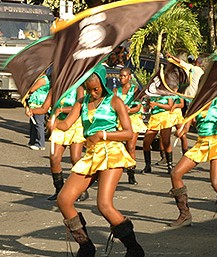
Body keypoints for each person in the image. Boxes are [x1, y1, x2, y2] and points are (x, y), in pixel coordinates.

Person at [54, 64, 144, 257]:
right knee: (64, 200)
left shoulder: (115, 102)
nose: (92, 93)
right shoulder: (81, 101)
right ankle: (86, 247)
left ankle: (134, 249)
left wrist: (103, 134)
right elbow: (67, 123)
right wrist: (53, 122)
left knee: (104, 204)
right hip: (91, 155)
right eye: (89, 89)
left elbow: (128, 133)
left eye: (96, 89)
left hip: (111, 152)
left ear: (103, 84)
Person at [169, 96, 217, 230]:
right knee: (176, 173)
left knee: (216, 183)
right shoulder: (196, 105)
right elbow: (187, 126)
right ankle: (185, 215)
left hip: (215, 142)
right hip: (200, 143)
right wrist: (181, 131)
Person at [28, 87, 89, 201]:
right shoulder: (54, 89)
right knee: (54, 158)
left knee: (75, 158)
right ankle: (59, 189)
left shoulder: (78, 87)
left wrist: (61, 110)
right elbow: (44, 108)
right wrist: (32, 111)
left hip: (75, 125)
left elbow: (80, 107)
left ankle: (82, 189)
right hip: (58, 125)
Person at [114, 67, 147, 185]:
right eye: (120, 76)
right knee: (117, 147)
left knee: (131, 147)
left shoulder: (136, 90)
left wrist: (129, 110)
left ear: (129, 77)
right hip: (119, 121)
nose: (121, 78)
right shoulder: (115, 91)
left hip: (133, 120)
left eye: (124, 76)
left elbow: (138, 107)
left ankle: (131, 174)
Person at [141, 94, 177, 175]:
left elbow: (170, 106)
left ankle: (170, 166)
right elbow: (147, 108)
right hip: (154, 118)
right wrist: (147, 105)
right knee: (146, 141)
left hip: (165, 117)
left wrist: (157, 104)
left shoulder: (167, 94)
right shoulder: (152, 94)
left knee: (166, 142)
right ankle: (148, 165)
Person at [25, 73, 50, 150]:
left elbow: (32, 89)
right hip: (35, 102)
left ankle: (40, 143)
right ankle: (32, 141)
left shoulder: (42, 79)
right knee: (33, 122)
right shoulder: (40, 78)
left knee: (38, 123)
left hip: (39, 103)